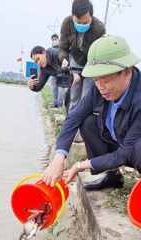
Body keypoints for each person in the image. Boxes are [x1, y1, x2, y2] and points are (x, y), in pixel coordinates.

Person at [42, 34, 141, 191]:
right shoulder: (98, 87)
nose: (100, 87)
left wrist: (80, 165)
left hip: (132, 149)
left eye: (105, 80)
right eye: (95, 80)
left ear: (127, 72)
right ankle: (113, 177)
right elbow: (74, 117)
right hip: (118, 138)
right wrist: (59, 157)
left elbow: (124, 154)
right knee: (87, 122)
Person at [59, 0, 106, 142]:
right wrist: (64, 59)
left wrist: (80, 75)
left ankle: (84, 131)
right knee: (73, 97)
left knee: (86, 97)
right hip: (74, 60)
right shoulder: (67, 23)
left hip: (92, 63)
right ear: (72, 16)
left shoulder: (99, 29)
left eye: (86, 23)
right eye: (78, 21)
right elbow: (62, 48)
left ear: (91, 17)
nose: (81, 25)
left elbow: (97, 57)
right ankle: (72, 130)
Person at [49, 34, 64, 108]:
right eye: (52, 39)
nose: (54, 40)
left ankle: (60, 105)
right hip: (53, 73)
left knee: (60, 89)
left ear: (58, 39)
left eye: (55, 39)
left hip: (61, 72)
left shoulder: (62, 49)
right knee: (54, 88)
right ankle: (55, 104)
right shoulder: (50, 50)